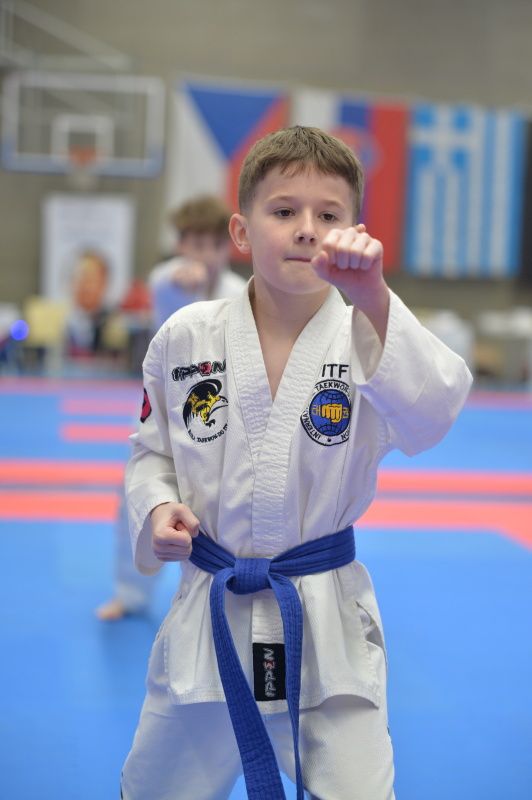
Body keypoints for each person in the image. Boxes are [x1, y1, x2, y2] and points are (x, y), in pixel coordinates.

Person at [120, 126, 473, 800]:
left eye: (329, 214)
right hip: (210, 623)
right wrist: (159, 506)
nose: (307, 229)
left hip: (325, 630)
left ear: (355, 233)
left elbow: (434, 415)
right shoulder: (185, 337)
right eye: (284, 210)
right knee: (152, 790)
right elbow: (152, 453)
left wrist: (374, 296)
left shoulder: (369, 332)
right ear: (242, 231)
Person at [96, 195, 247, 621]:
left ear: (227, 246)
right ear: (180, 245)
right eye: (195, 245)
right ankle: (129, 593)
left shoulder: (240, 293)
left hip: (216, 417)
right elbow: (173, 279)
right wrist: (185, 274)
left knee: (220, 510)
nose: (204, 256)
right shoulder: (166, 281)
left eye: (213, 245)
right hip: (161, 414)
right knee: (138, 500)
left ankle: (228, 589)